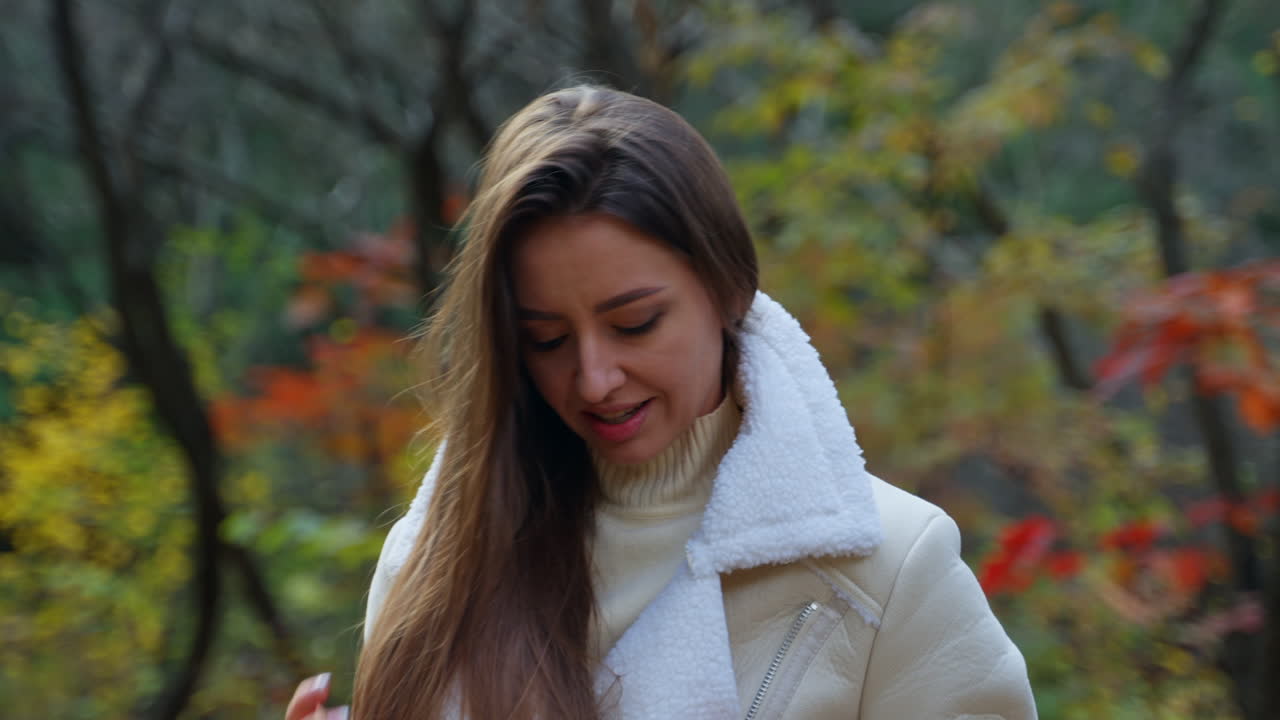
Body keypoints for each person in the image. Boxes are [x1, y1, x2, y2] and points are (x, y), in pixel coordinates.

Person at [286, 85, 1037, 720]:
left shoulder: (889, 570)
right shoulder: (433, 562)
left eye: (634, 323)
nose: (594, 379)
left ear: (727, 287)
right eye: (545, 339)